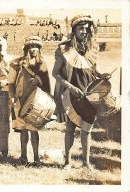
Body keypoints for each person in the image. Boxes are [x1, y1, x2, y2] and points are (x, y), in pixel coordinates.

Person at [52, 15, 111, 169]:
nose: (84, 32)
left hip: (90, 95)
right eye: (81, 29)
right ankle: (67, 162)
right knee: (70, 129)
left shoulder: (92, 48)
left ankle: (86, 162)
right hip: (72, 94)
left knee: (87, 130)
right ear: (74, 30)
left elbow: (92, 69)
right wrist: (71, 87)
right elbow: (55, 74)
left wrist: (101, 75)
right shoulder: (64, 49)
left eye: (87, 29)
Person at [8, 36, 51, 165]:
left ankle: (37, 158)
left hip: (36, 102)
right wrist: (12, 97)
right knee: (23, 130)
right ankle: (23, 157)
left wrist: (39, 80)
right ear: (26, 49)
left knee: (34, 130)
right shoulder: (17, 64)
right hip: (20, 99)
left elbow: (47, 84)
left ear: (39, 49)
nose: (33, 50)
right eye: (31, 47)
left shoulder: (42, 64)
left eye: (36, 47)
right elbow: (11, 82)